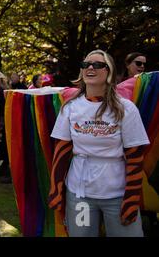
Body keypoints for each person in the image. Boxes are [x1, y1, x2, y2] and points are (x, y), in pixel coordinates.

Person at [48, 49, 150, 237]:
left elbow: (135, 155)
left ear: (109, 71)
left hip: (117, 194)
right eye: (86, 65)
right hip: (80, 196)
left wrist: (131, 197)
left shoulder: (125, 108)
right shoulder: (70, 107)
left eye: (98, 64)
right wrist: (56, 188)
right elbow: (61, 150)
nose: (90, 68)